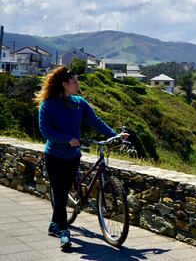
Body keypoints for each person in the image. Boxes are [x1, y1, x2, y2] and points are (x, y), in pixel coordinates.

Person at [36, 66, 128, 249]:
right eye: (74, 82)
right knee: (61, 194)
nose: (77, 84)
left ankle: (55, 224)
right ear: (64, 85)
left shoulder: (79, 102)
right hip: (54, 155)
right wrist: (66, 139)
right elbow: (46, 131)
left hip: (73, 156)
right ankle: (64, 231)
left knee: (66, 189)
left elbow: (95, 121)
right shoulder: (48, 105)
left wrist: (115, 135)